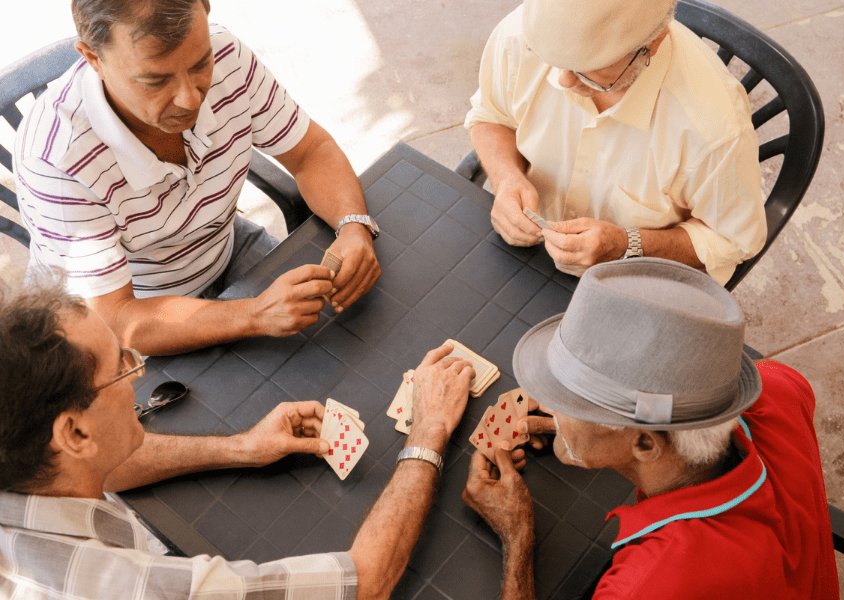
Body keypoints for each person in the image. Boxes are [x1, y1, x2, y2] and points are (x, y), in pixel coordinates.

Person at [0, 273, 474, 600]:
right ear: (75, 431)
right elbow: (364, 583)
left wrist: (240, 446)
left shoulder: (24, 455)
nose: (136, 376)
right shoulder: (128, 589)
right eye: (120, 366)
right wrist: (428, 431)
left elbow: (105, 462)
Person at [15, 0, 381, 357]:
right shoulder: (54, 159)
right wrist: (254, 314)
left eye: (200, 63)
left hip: (222, 245)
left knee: (350, 345)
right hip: (138, 310)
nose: (190, 99)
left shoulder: (228, 57)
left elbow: (311, 151)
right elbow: (114, 318)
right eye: (155, 81)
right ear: (93, 58)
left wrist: (353, 227)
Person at [462, 258, 840, 599]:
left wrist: (517, 535)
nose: (554, 406)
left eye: (572, 403)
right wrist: (581, 424)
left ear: (644, 442)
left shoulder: (644, 585)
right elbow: (787, 385)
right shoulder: (780, 388)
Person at [464, 0, 767, 284]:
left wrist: (627, 244)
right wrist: (506, 178)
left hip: (635, 283)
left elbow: (731, 240)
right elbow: (492, 115)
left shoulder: (715, 131)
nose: (564, 81)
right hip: (524, 256)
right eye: (555, 61)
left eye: (588, 70)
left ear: (655, 42)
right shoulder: (523, 34)